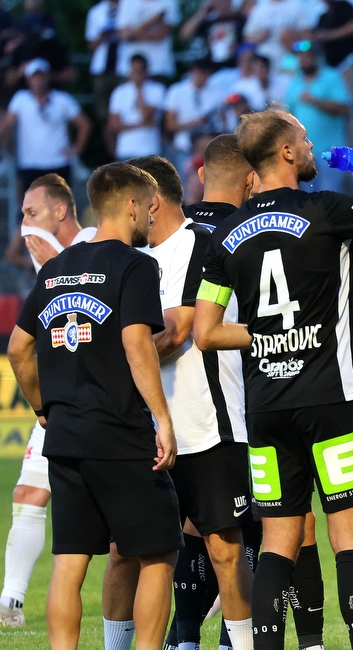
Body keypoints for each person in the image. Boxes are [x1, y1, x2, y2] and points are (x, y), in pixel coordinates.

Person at [192, 108, 353, 650]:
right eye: (303, 139)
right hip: (331, 398)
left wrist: (263, 337)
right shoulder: (327, 208)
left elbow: (206, 333)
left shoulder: (227, 234)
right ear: (284, 152)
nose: (311, 147)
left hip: (266, 409)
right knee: (351, 541)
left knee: (279, 543)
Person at [8, 162, 183, 650]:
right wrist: (163, 421)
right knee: (158, 553)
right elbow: (137, 345)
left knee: (70, 560)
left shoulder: (57, 267)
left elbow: (19, 349)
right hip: (120, 432)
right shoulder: (135, 266)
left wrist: (43, 406)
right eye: (148, 208)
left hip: (64, 435)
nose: (152, 217)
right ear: (130, 206)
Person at [125, 155, 254, 650]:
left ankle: (240, 644)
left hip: (206, 424)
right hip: (147, 429)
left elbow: (176, 333)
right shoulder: (133, 259)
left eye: (130, 204)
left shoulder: (200, 245)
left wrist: (110, 363)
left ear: (150, 203)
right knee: (132, 553)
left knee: (224, 547)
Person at [0, 174, 96, 628]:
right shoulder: (43, 262)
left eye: (31, 213)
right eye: (20, 215)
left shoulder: (97, 241)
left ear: (61, 211)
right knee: (28, 493)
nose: (23, 224)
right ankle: (10, 602)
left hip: (106, 399)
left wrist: (55, 264)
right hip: (60, 399)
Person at [0, 58, 90, 192]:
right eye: (35, 77)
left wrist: (76, 150)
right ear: (28, 80)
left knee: (60, 207)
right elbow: (6, 125)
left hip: (59, 163)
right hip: (30, 164)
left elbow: (84, 124)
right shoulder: (21, 99)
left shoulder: (62, 99)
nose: (38, 81)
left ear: (48, 78)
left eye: (41, 77)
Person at [284, 41, 349, 193]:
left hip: (332, 150)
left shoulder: (331, 77)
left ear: (316, 57)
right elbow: (288, 112)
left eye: (307, 56)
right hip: (305, 152)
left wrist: (315, 101)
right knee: (309, 199)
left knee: (332, 198)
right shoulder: (295, 81)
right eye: (300, 57)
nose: (303, 60)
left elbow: (344, 108)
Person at [109, 54, 166, 160]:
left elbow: (147, 116)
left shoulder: (157, 90)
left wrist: (139, 90)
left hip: (150, 151)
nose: (136, 74)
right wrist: (141, 125)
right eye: (134, 70)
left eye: (139, 70)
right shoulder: (119, 92)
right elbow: (115, 125)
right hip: (125, 151)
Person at [86, 0, 122, 153]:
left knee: (125, 113)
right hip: (102, 70)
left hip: (123, 68)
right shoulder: (96, 12)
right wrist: (104, 35)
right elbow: (91, 45)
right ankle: (114, 155)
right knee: (104, 116)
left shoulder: (130, 6)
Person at [242, 0, 315, 72]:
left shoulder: (296, 6)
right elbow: (246, 37)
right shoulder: (260, 8)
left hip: (290, 61)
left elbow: (308, 38)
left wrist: (294, 43)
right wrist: (260, 36)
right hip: (264, 64)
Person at [116, 0, 179, 79]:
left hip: (159, 67)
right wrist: (152, 20)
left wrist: (133, 35)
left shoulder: (169, 2)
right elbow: (123, 35)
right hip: (130, 68)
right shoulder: (127, 2)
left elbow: (160, 36)